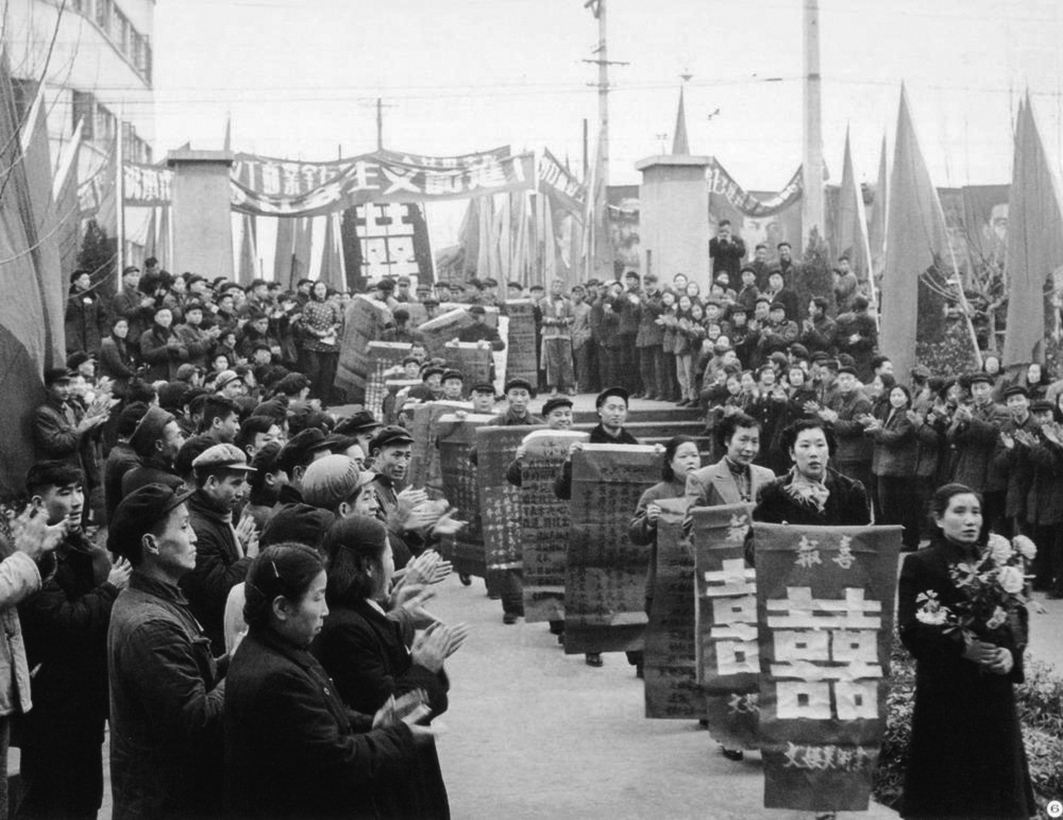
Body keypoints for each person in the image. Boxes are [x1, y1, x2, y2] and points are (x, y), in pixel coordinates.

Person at [223, 543, 424, 818]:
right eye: (317, 598)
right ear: (282, 607)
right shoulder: (276, 677)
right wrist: (399, 737)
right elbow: (336, 760)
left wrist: (374, 724)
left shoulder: (280, 649)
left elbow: (319, 721)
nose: (326, 611)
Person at [897, 484, 1034, 819]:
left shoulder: (994, 562)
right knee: (948, 789)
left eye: (975, 512)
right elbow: (912, 628)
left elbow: (1016, 616)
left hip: (992, 689)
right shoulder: (921, 564)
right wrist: (964, 648)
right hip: (947, 690)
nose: (970, 520)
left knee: (996, 787)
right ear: (938, 518)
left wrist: (1010, 654)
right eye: (959, 512)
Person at [314, 516, 465, 818]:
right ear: (369, 566)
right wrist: (423, 666)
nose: (393, 564)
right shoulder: (347, 628)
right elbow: (390, 706)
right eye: (388, 555)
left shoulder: (367, 613)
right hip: (389, 775)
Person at [17, 461, 131, 819]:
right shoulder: (33, 555)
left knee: (85, 797)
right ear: (38, 501)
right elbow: (63, 622)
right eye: (64, 492)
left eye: (79, 490)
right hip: (52, 703)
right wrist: (111, 589)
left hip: (83, 701)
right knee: (51, 799)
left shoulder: (77, 546)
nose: (77, 500)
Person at [106, 483, 228, 819]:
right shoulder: (151, 625)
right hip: (166, 804)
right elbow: (196, 721)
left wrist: (231, 660)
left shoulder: (156, 600)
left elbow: (189, 672)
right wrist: (246, 667)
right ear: (151, 543)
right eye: (184, 526)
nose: (195, 538)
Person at [628, 436, 701, 678]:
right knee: (668, 638)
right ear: (670, 462)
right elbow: (635, 534)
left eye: (695, 455)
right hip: (665, 580)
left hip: (701, 577)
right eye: (684, 456)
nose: (691, 461)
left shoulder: (708, 489)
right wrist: (648, 522)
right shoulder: (656, 493)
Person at [751, 419, 871, 530]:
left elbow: (862, 544)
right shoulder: (771, 492)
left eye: (820, 445)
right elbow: (762, 541)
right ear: (792, 453)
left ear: (829, 451)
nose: (814, 453)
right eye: (805, 446)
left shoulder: (851, 490)